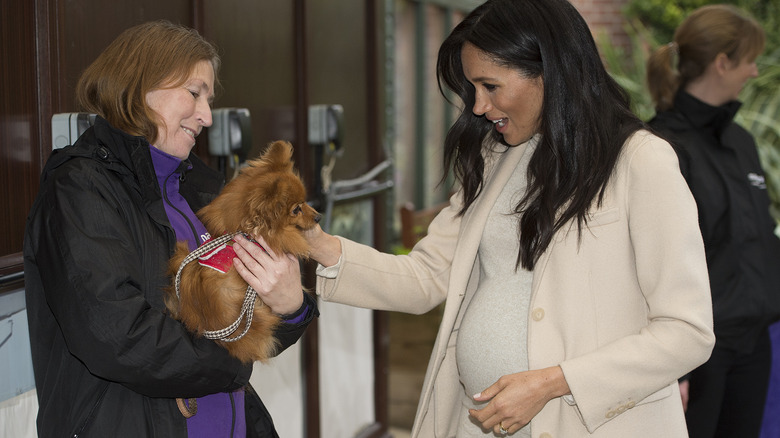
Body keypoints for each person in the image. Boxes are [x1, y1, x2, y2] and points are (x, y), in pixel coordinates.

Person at [304, 0, 715, 436]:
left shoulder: (641, 160)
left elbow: (686, 330)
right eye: (472, 88)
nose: (479, 106)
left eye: (490, 85)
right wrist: (317, 246)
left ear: (549, 72)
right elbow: (427, 276)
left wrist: (551, 383)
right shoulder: (492, 156)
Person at [23, 20, 317, 437]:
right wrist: (236, 359)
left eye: (209, 99)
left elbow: (243, 315)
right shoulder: (80, 189)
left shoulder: (203, 188)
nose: (207, 115)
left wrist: (292, 307)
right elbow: (118, 337)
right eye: (194, 93)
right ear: (138, 84)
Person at [646, 5, 780, 438]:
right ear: (722, 63)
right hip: (696, 353)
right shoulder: (659, 146)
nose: (755, 71)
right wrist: (672, 366)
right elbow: (652, 262)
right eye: (748, 60)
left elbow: (751, 239)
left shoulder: (740, 142)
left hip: (752, 343)